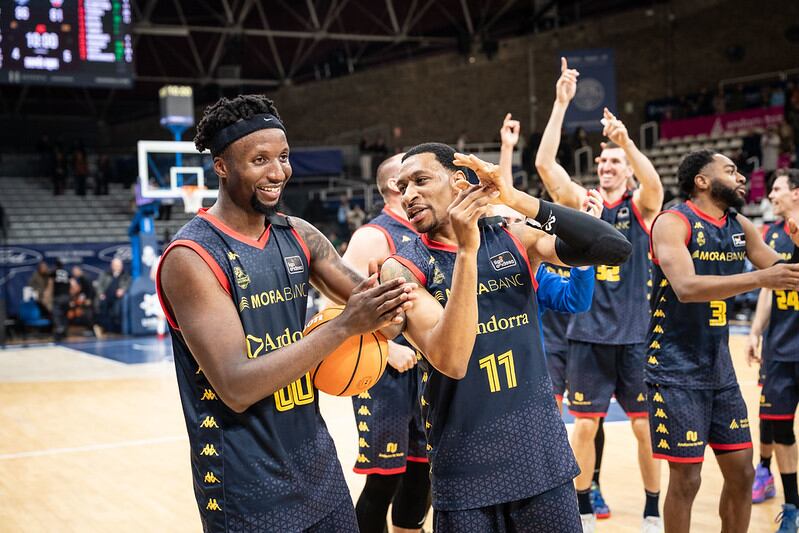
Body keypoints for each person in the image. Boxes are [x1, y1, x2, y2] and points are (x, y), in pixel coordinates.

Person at [155, 94, 417, 532]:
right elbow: (236, 385)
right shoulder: (192, 257)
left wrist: (386, 289)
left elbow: (388, 323)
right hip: (243, 482)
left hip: (317, 465)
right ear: (221, 166)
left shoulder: (300, 235)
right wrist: (345, 325)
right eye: (259, 159)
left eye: (283, 156)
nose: (278, 172)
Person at [380, 124, 631, 531]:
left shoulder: (514, 235)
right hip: (465, 467)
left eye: (421, 181)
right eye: (402, 186)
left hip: (541, 456)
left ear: (459, 183)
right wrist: (466, 251)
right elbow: (452, 359)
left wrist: (515, 198)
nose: (408, 195)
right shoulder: (403, 267)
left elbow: (614, 248)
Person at [535, 57, 665, 532]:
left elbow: (654, 185)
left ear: (626, 172)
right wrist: (560, 104)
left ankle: (652, 509)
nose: (607, 166)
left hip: (633, 335)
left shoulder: (641, 205)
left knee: (643, 427)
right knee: (584, 426)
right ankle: (585, 506)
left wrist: (626, 142)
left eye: (615, 163)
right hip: (587, 335)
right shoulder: (582, 206)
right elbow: (545, 165)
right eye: (603, 162)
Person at [646, 150, 799, 533]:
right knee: (687, 479)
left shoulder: (740, 225)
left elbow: (781, 271)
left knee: (743, 471)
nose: (741, 177)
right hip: (674, 367)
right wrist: (759, 280)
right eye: (730, 171)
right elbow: (685, 287)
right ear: (702, 180)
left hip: (719, 367)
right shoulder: (672, 221)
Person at [341, 153, 431, 533]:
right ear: (399, 186)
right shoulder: (371, 236)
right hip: (384, 378)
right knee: (384, 478)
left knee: (422, 473)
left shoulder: (429, 230)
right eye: (416, 177)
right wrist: (386, 348)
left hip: (428, 373)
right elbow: (335, 309)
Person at [745, 169, 799, 526]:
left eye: (778, 188)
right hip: (781, 347)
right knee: (780, 427)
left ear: (796, 192)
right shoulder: (772, 234)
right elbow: (768, 288)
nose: (771, 194)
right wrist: (755, 331)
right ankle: (793, 506)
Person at [94, 258, 131, 337]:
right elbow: (99, 285)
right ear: (112, 266)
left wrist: (122, 290)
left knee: (116, 311)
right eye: (117, 265)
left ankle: (115, 331)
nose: (119, 267)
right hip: (105, 296)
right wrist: (101, 294)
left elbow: (127, 284)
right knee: (102, 308)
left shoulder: (125, 275)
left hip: (117, 298)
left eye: (120, 265)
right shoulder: (105, 274)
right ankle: (103, 329)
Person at [51, 260, 71, 341]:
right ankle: (64, 332)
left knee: (57, 315)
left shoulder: (54, 272)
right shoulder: (66, 272)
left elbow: (48, 280)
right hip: (66, 297)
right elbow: (72, 284)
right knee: (65, 315)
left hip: (58, 297)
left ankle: (60, 330)